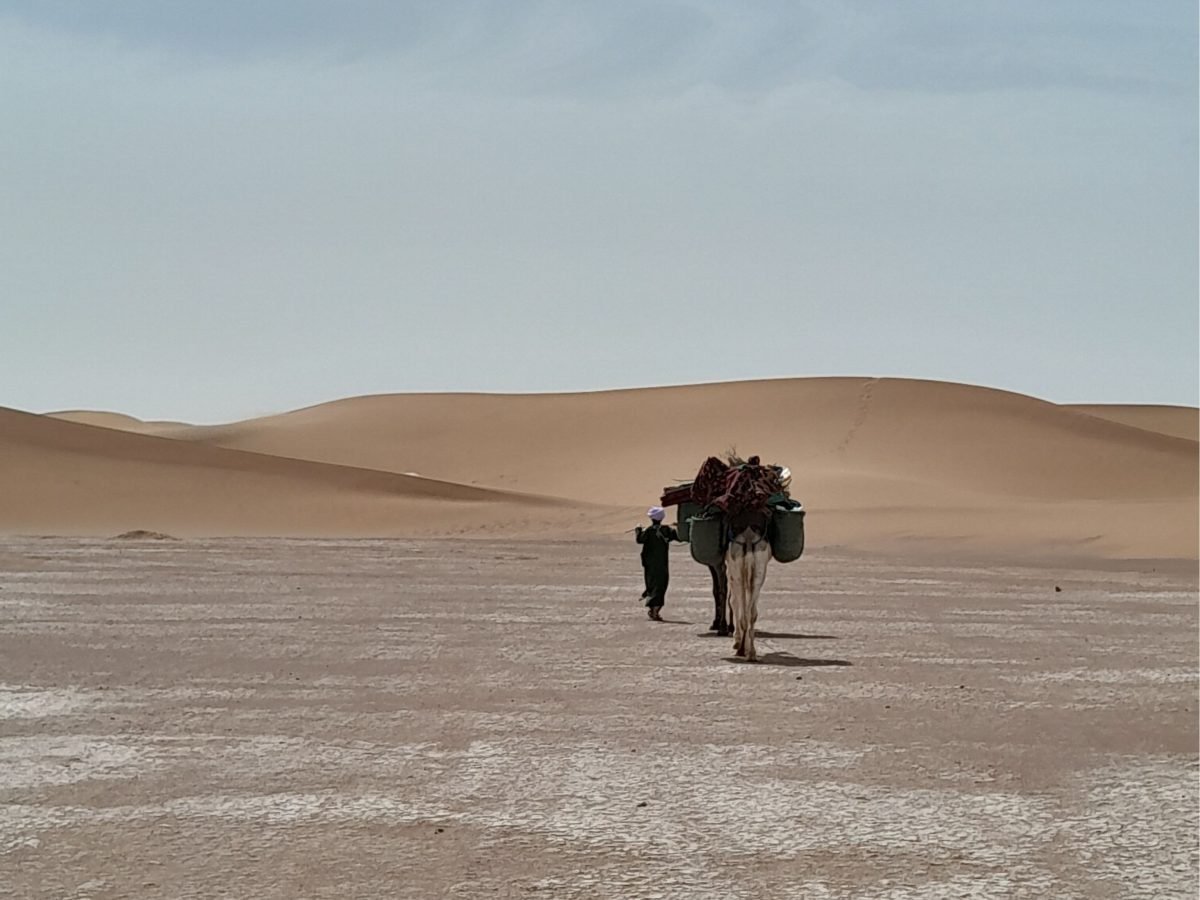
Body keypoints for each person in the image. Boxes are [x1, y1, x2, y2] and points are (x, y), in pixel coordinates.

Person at [636, 507, 678, 621]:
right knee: (660, 586)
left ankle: (653, 609)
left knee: (652, 584)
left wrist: (638, 529)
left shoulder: (648, 531)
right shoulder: (666, 530)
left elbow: (639, 539)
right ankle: (655, 610)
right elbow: (677, 536)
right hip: (661, 564)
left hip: (649, 564)